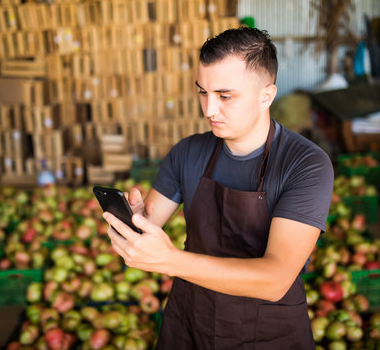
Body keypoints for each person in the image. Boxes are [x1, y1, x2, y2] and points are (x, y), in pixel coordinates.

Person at [103, 26, 334, 349]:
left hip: (267, 333)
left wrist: (171, 260)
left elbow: (275, 280)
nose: (209, 110)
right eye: (203, 92)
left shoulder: (305, 164)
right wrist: (135, 226)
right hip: (190, 323)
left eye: (225, 96)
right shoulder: (188, 152)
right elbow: (147, 233)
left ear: (266, 95)